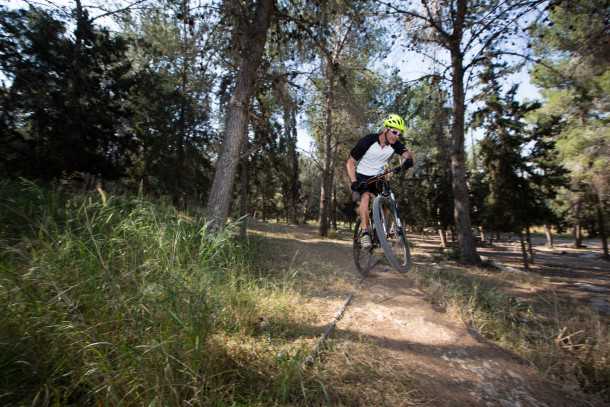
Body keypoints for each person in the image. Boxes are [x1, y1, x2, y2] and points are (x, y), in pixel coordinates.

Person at [346, 114, 414, 249]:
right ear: (386, 129)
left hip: (378, 177)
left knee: (386, 201)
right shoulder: (368, 141)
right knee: (365, 197)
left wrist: (408, 162)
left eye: (399, 133)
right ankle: (365, 233)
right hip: (362, 176)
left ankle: (378, 230)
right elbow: (350, 162)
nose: (396, 136)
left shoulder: (395, 145)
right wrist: (354, 182)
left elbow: (408, 156)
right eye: (394, 131)